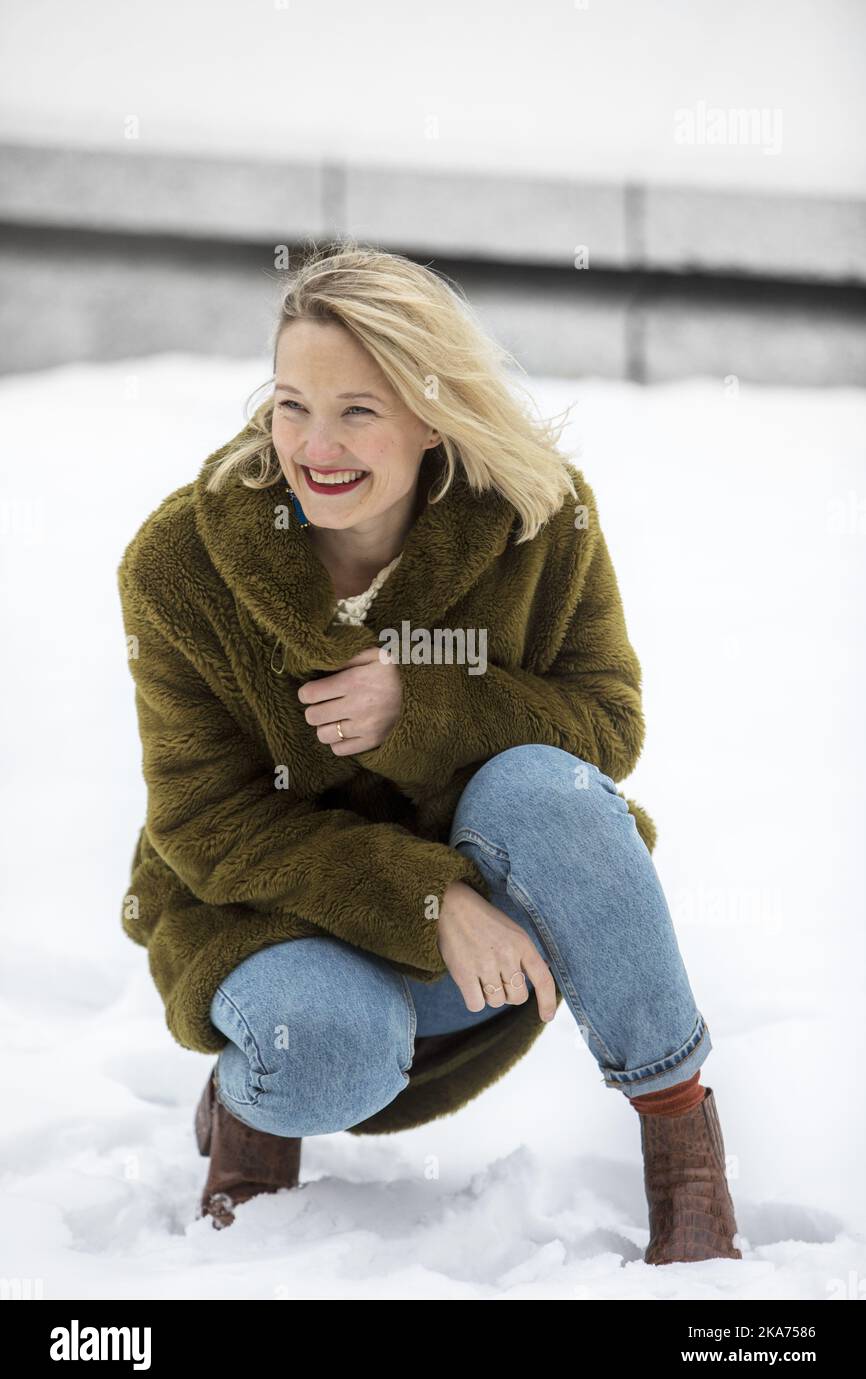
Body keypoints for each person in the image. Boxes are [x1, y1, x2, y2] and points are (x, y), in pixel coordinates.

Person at [118, 239, 742, 1263]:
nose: (313, 445)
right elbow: (205, 822)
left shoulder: (539, 516)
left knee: (549, 788)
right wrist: (427, 897)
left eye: (356, 410)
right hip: (267, 925)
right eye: (290, 403)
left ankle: (684, 1157)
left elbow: (605, 725)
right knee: (323, 1044)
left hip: (489, 948)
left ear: (430, 412)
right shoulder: (180, 563)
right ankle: (250, 1115)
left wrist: (424, 707)